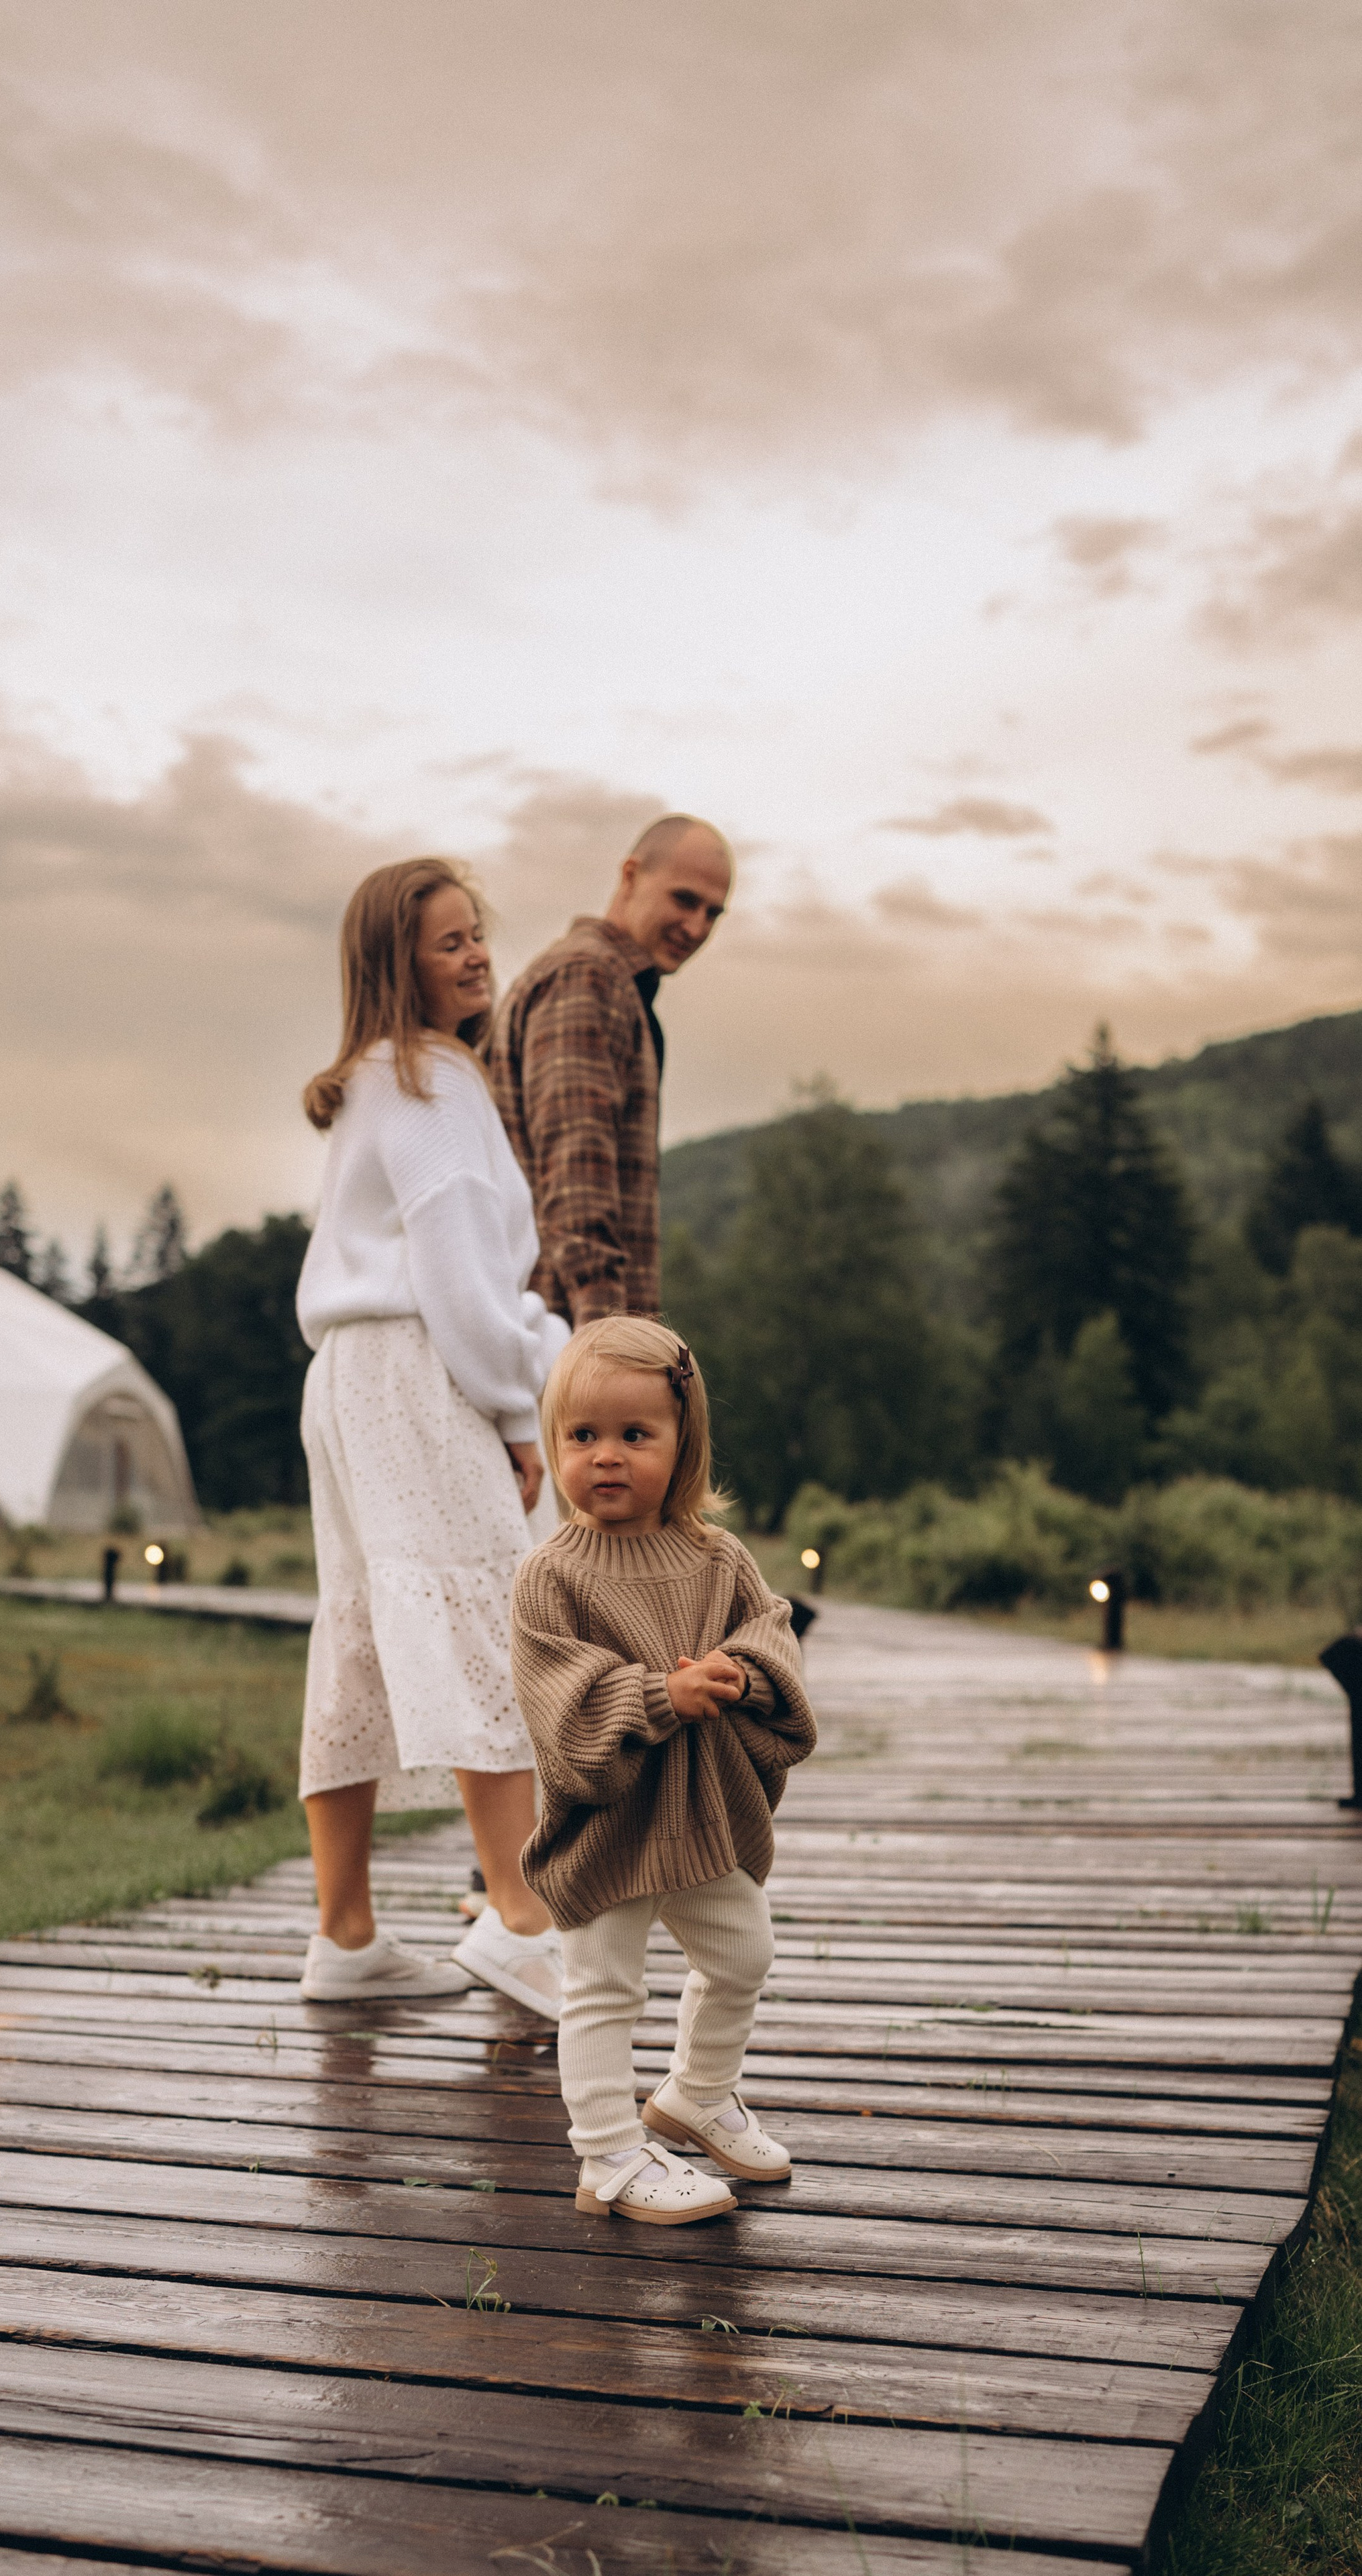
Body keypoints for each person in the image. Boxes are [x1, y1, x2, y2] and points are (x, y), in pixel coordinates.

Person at [295, 857, 570, 2015]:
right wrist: (521, 1407)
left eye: (476, 934)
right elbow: (461, 1276)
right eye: (447, 941)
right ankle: (520, 1917)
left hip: (349, 1378)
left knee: (361, 1631)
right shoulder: (434, 1079)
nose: (475, 954)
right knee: (485, 1616)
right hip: (422, 1369)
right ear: (392, 963)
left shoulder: (370, 1081)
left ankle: (347, 1938)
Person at [510, 1317, 817, 2222]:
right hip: (610, 1826)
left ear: (683, 1447)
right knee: (602, 1986)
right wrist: (656, 1697)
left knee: (743, 1951)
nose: (608, 1456)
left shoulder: (717, 1558)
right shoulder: (550, 1577)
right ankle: (607, 2152)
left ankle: (697, 2094)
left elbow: (771, 1635)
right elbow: (559, 1700)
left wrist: (746, 1674)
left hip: (702, 1816)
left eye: (635, 1436)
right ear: (556, 1442)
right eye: (583, 1436)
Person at [489, 815, 733, 1328]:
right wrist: (609, 1349)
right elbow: (578, 1187)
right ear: (630, 876)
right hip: (562, 1342)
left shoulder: (608, 983)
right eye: (684, 900)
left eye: (714, 913)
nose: (697, 928)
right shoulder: (589, 977)